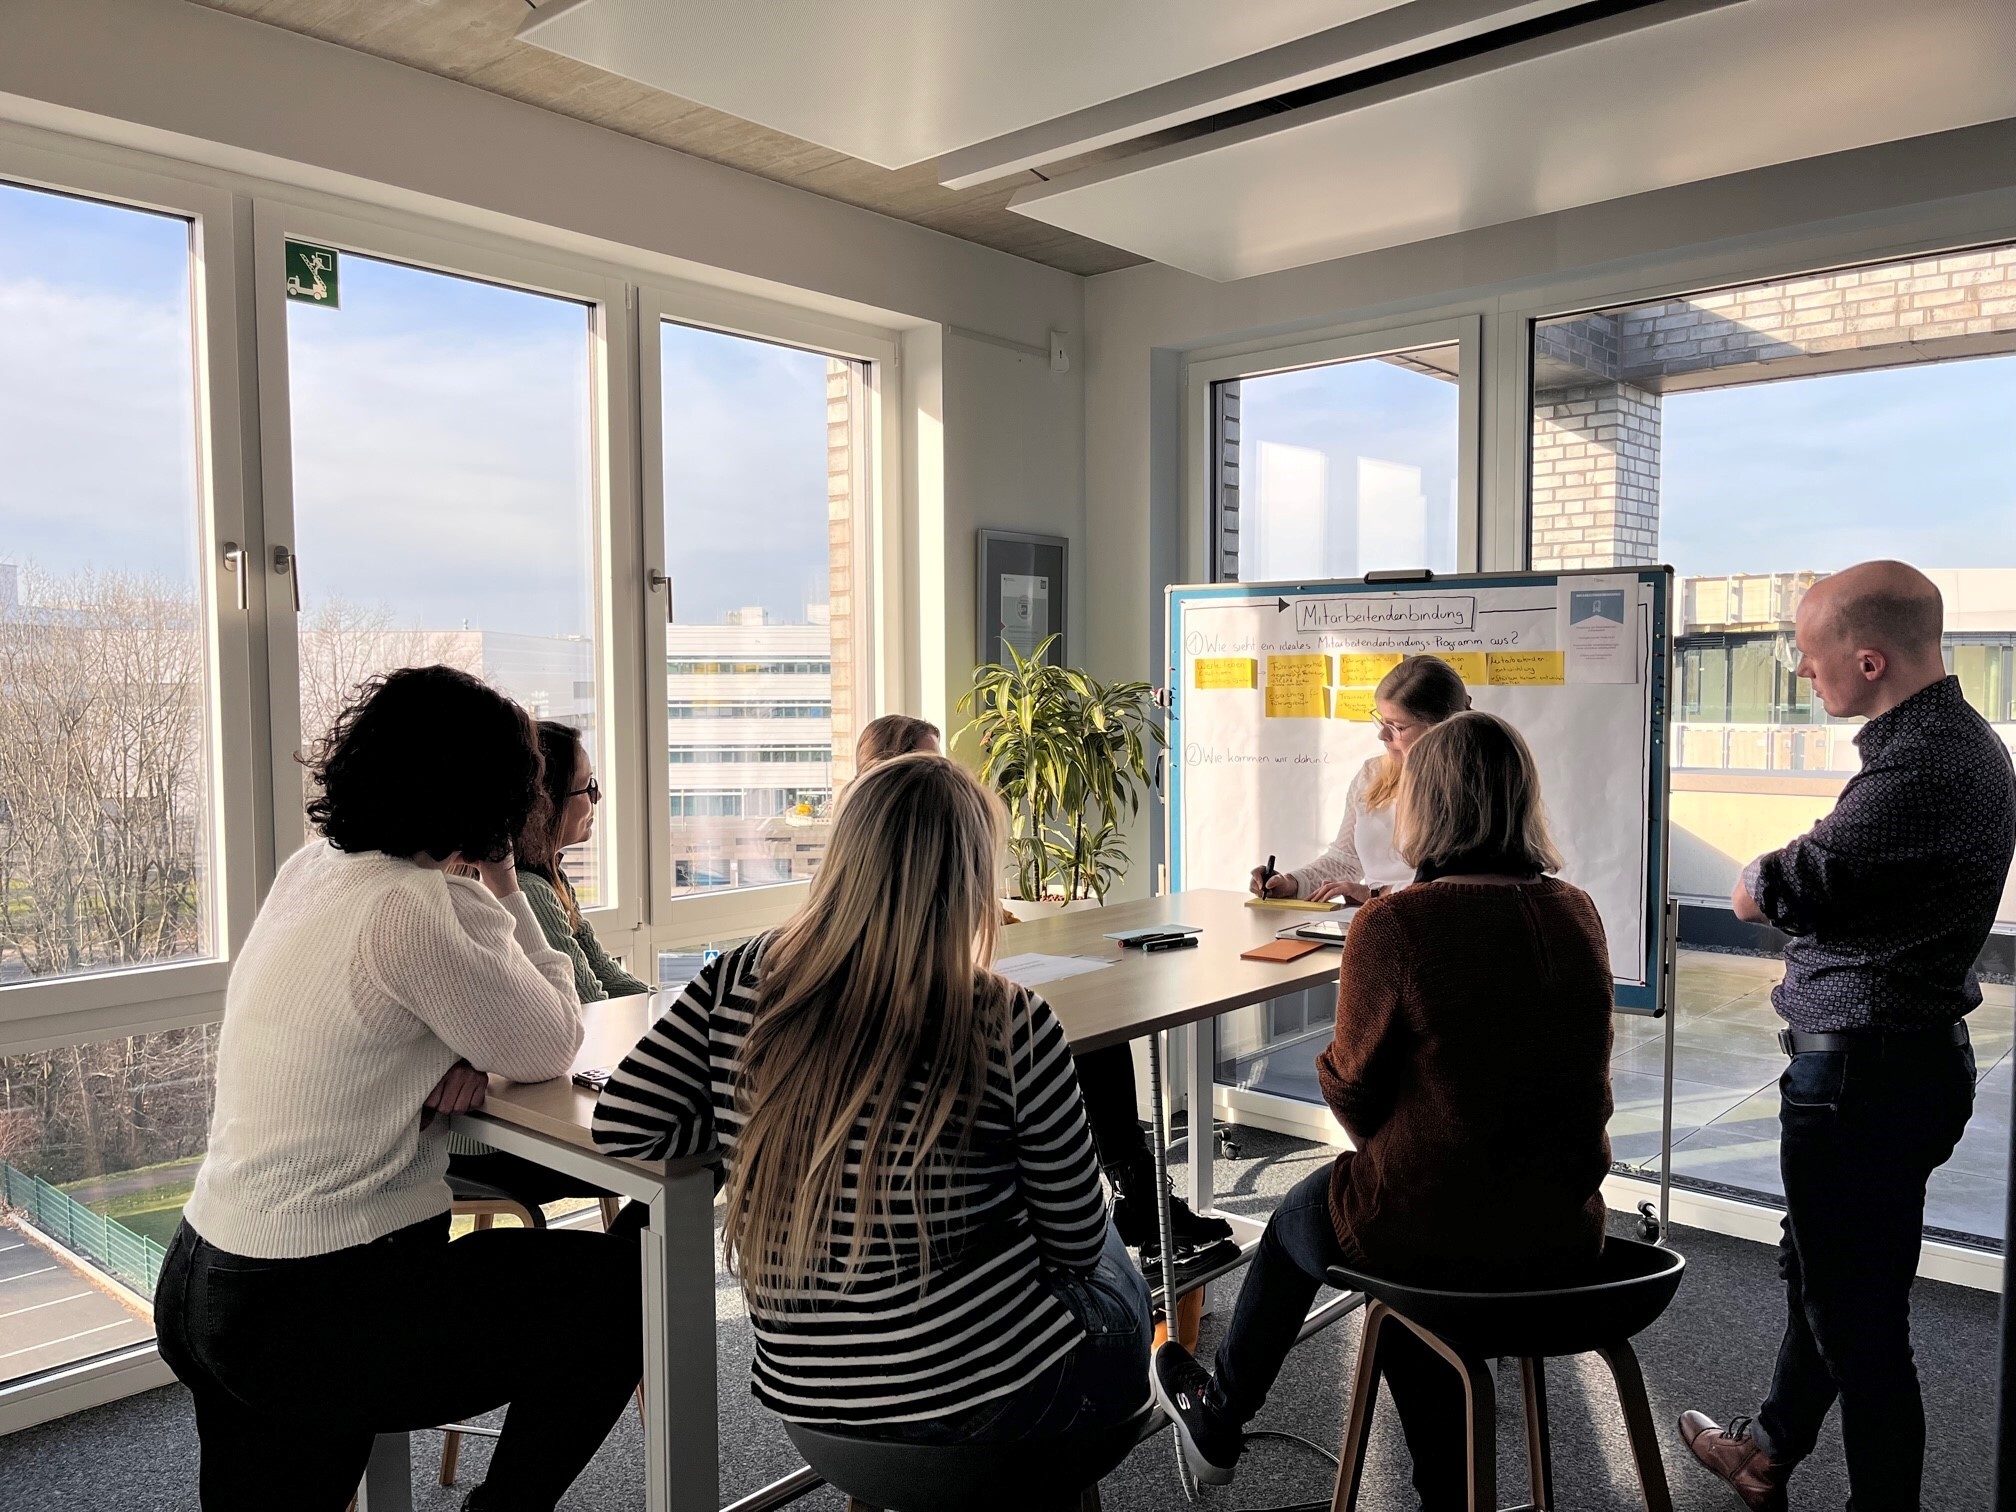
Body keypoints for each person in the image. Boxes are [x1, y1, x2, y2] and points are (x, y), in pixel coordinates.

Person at [155, 665, 644, 1512]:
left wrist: (449, 1050)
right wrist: (500, 883)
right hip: (314, 1301)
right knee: (619, 1296)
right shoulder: (417, 907)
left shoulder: (312, 870)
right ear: (486, 796)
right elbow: (555, 1036)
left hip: (204, 1274)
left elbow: (374, 1028)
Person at [590, 753, 1152, 1442]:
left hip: (808, 1404)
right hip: (990, 1402)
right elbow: (1073, 1243)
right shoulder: (1009, 1018)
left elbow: (623, 1123)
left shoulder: (740, 975)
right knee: (1114, 1249)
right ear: (971, 877)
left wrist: (764, 1110)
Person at [1156, 712, 1616, 1501]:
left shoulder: (1397, 922)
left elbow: (1353, 1093)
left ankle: (1221, 1415)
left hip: (1441, 1233)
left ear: (1426, 805)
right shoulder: (1577, 910)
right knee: (1409, 1232)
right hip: (1566, 1232)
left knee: (1331, 1217)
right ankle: (1447, 1487)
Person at [1680, 561, 2014, 1512]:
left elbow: (1763, 891)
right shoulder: (1956, 747)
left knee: (1860, 1328)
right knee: (1828, 1272)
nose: (1800, 669)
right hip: (1901, 1067)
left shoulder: (1921, 770)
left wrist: (1769, 870)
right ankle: (1767, 1453)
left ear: (1868, 660)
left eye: (1811, 654)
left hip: (1862, 1081)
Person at [851, 712, 1233, 1259]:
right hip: (931, 1050)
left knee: (1099, 1035)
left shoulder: (934, 860)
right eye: (931, 766)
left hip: (969, 1014)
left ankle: (1137, 1195)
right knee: (1066, 1039)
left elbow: (985, 926)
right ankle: (1137, 1199)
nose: (946, 780)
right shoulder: (883, 877)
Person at [447, 719, 645, 1207]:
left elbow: (609, 977)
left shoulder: (549, 878)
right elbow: (587, 1009)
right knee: (690, 1155)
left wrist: (664, 1008)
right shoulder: (527, 892)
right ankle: (637, 1279)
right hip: (494, 1142)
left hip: (510, 1118)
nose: (595, 801)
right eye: (587, 789)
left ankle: (638, 1276)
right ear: (548, 802)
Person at [1251, 654, 1471, 904]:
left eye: (1397, 727)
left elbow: (1458, 883)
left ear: (1441, 727)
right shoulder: (1371, 774)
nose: (1382, 735)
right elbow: (1345, 859)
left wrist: (1374, 893)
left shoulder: (1476, 786)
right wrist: (1294, 882)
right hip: (1375, 920)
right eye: (1380, 720)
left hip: (1430, 923)